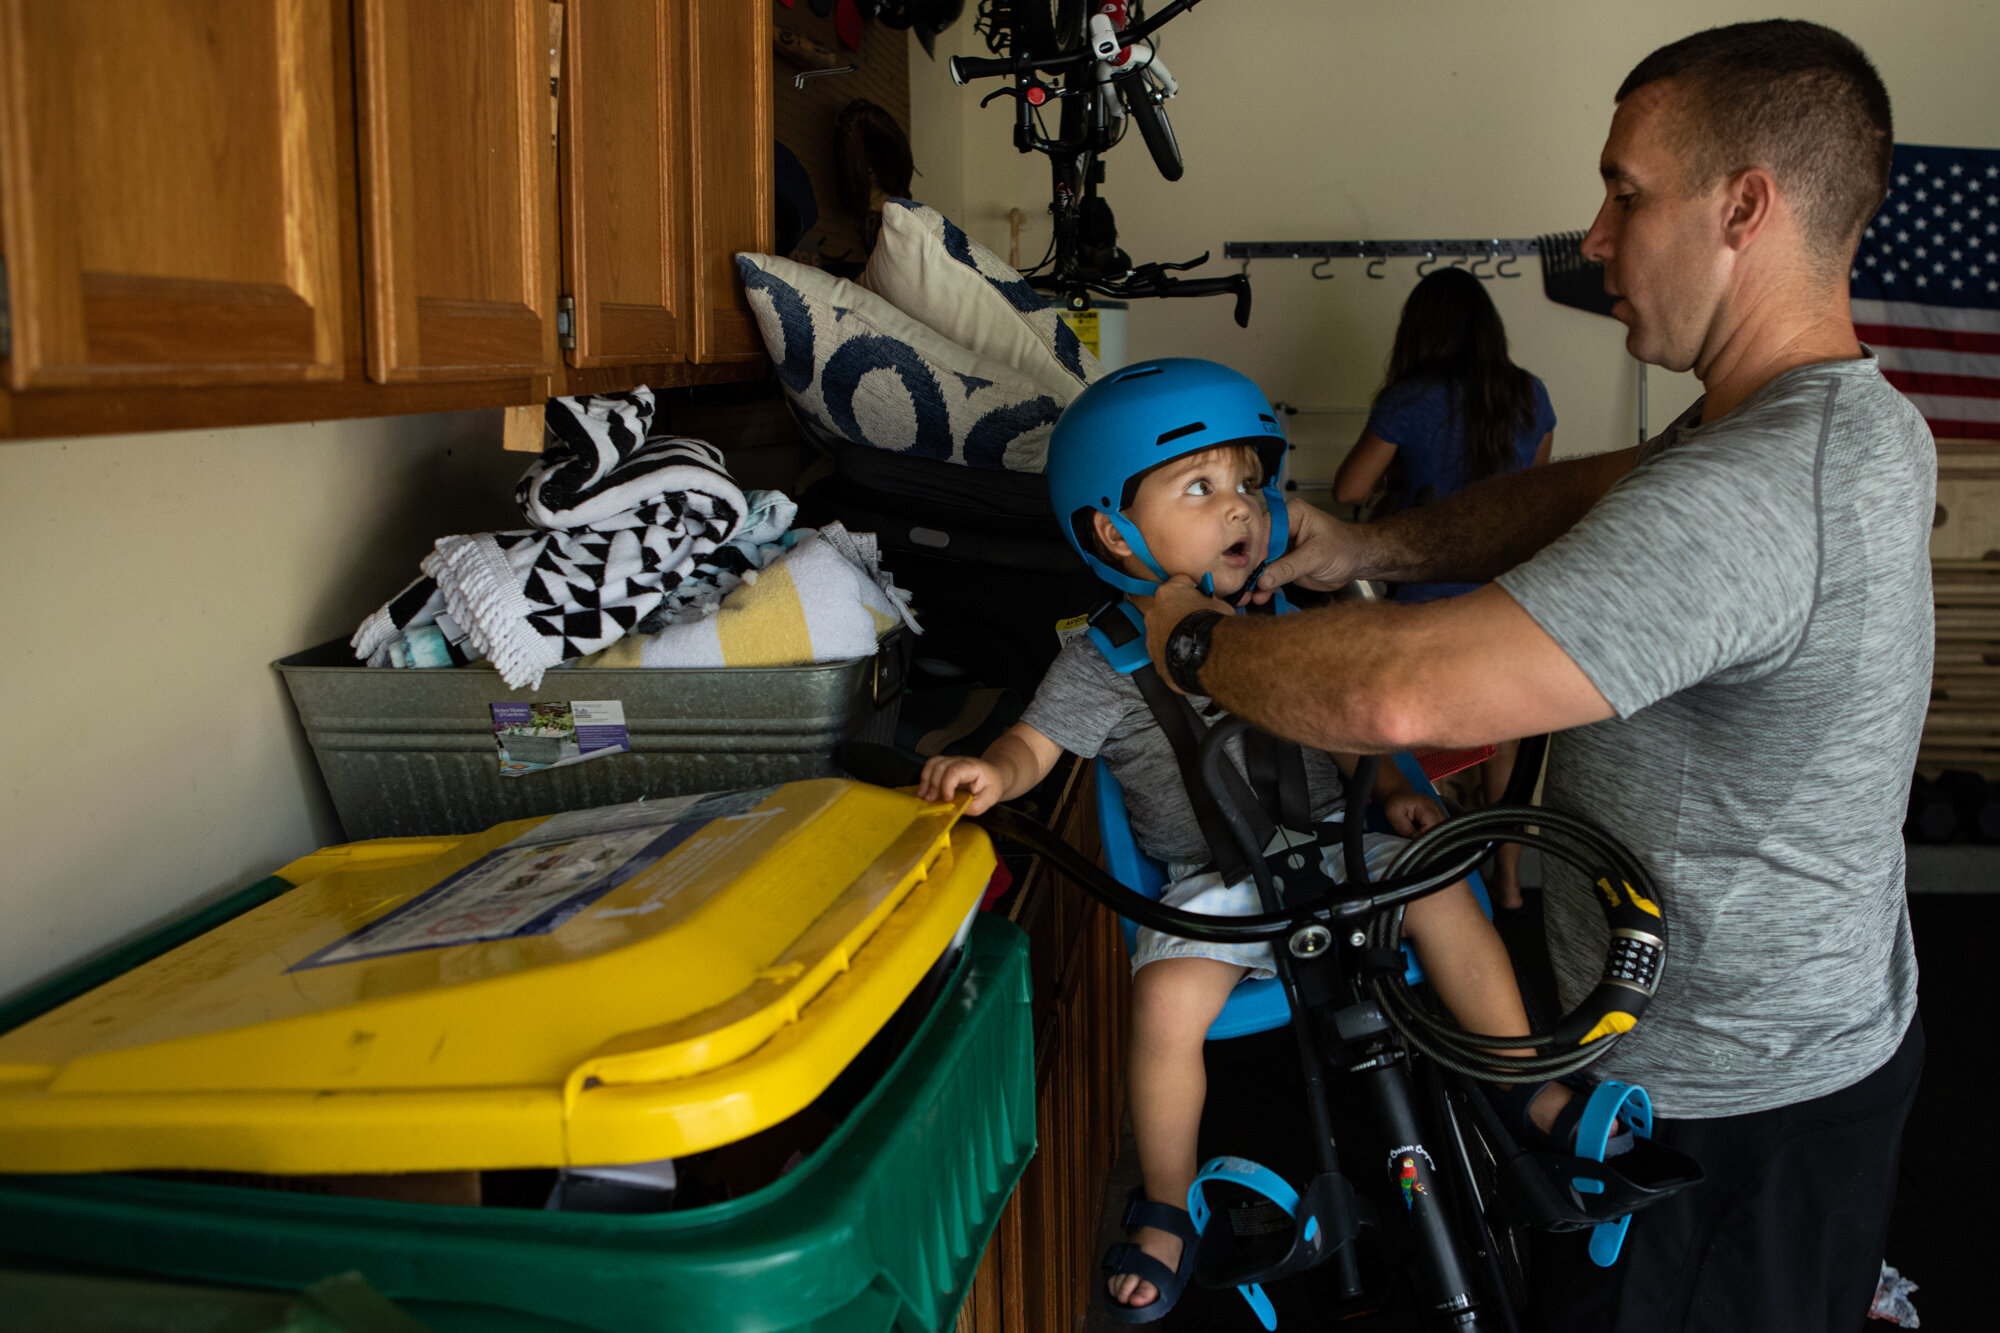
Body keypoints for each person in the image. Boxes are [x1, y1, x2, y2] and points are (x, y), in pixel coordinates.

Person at [1138, 21, 1929, 1332]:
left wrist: (1187, 635)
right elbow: (1595, 496)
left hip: (1718, 1102)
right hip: (1796, 1044)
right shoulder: (1829, 415)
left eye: (1626, 193)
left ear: (1744, 207)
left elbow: (1405, 700)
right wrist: (1367, 544)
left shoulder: (1757, 488)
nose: (1597, 238)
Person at [918, 358, 1583, 1321]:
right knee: (1164, 999)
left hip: (1340, 852)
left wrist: (1397, 794)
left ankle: (1526, 1085)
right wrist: (991, 772)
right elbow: (1033, 745)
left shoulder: (1286, 615)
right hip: (1215, 889)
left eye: (1247, 483)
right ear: (1113, 530)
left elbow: (1362, 732)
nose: (1239, 507)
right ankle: (1164, 1199)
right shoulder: (1096, 660)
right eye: (1200, 488)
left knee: (1444, 887)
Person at [1334, 265, 1559, 907]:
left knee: (1404, 743)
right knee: (1505, 751)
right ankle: (1512, 888)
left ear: (1420, 331)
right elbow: (1530, 499)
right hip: (1507, 600)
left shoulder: (1409, 399)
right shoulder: (1530, 394)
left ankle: (1433, 889)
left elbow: (1349, 490)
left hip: (1424, 605)